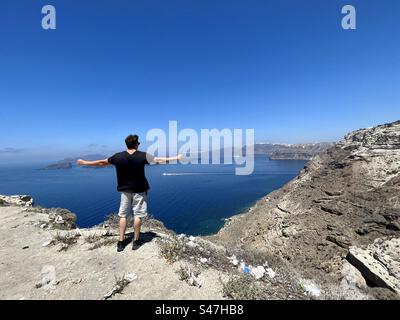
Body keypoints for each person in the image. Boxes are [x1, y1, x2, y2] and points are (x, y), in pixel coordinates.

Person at [77, 134, 181, 252]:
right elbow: (158, 160)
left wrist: (84, 162)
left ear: (127, 144)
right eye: (139, 143)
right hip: (140, 190)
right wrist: (176, 158)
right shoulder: (142, 155)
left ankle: (121, 242)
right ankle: (136, 242)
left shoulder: (118, 156)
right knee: (138, 215)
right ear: (136, 144)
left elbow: (102, 162)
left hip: (125, 191)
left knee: (123, 215)